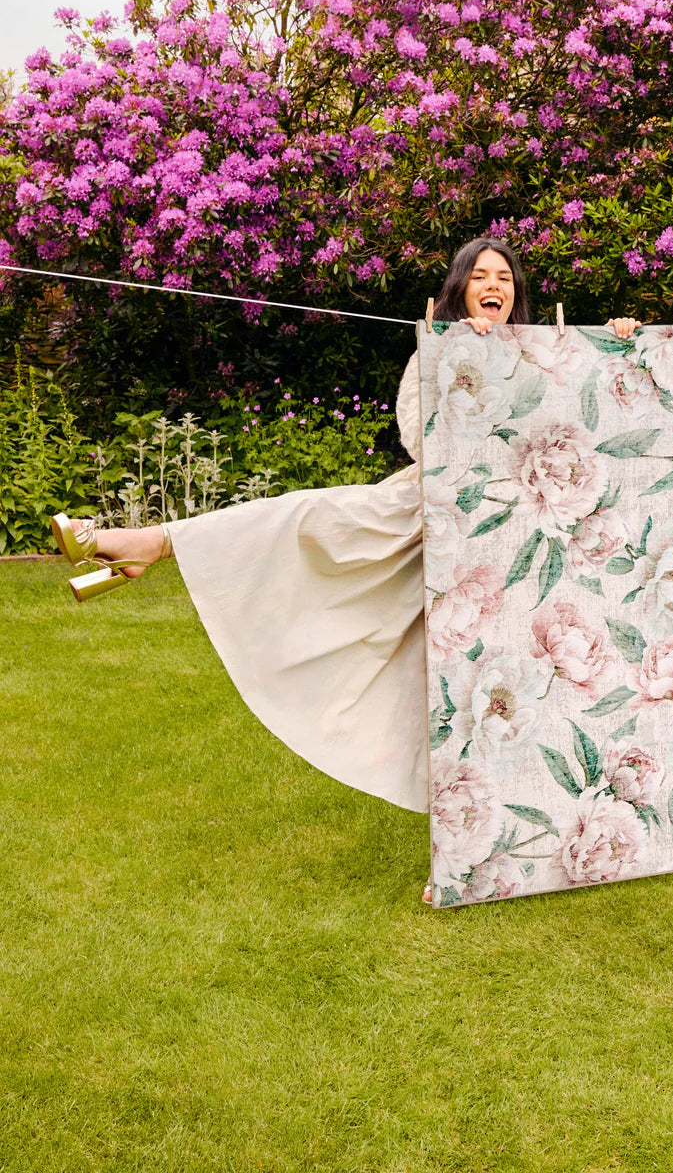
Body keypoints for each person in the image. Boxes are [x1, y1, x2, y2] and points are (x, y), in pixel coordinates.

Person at [51, 237, 639, 822]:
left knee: (488, 688)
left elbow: (594, 411)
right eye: (480, 276)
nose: (493, 287)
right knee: (303, 519)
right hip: (427, 520)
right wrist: (462, 364)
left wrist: (619, 342)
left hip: (512, 545)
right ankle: (149, 543)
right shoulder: (436, 349)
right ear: (459, 290)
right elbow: (419, 436)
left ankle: (471, 845)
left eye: (504, 279)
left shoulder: (548, 352)